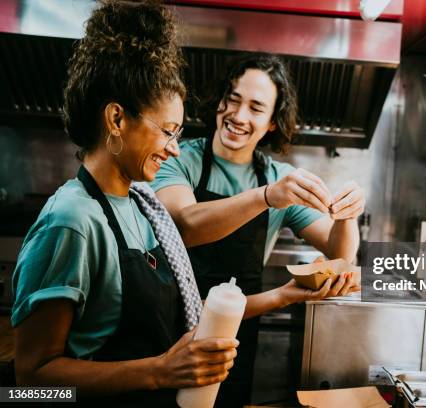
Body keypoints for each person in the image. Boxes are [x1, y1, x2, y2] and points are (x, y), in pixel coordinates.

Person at [10, 1, 237, 406]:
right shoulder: (73, 220)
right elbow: (31, 382)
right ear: (116, 119)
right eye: (167, 131)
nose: (174, 149)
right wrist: (159, 371)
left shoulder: (142, 206)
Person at [152, 54, 365, 406]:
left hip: (235, 337)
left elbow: (339, 253)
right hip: (169, 331)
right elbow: (185, 225)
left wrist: (348, 214)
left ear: (271, 123)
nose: (238, 116)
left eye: (255, 107)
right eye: (232, 100)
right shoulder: (180, 158)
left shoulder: (277, 177)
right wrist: (265, 198)